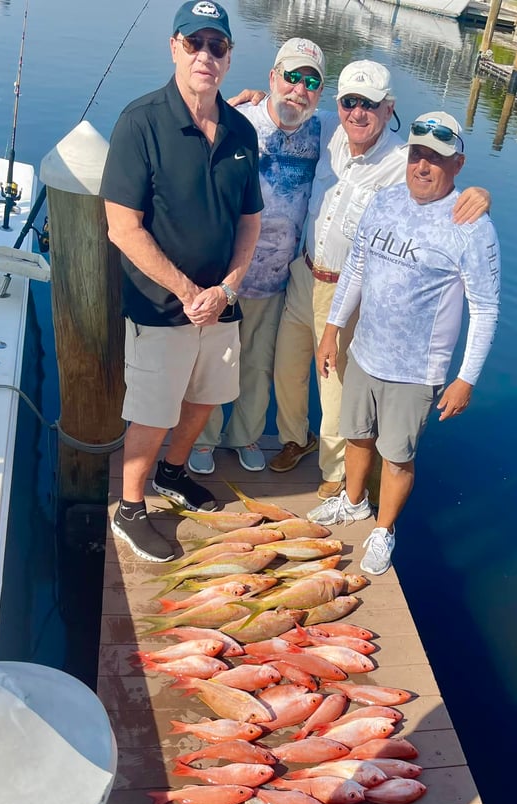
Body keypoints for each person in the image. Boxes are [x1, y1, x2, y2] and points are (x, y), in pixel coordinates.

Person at [269, 61, 491, 501]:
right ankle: (295, 438)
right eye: (349, 102)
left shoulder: (402, 158)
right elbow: (290, 108)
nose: (358, 113)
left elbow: (443, 188)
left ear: (389, 109)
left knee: (334, 384)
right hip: (303, 271)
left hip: (347, 290)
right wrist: (256, 98)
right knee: (287, 369)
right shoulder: (329, 128)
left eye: (369, 104)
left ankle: (336, 475)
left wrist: (480, 195)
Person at [100, 1, 263, 562]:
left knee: (204, 398)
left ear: (228, 56)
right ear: (174, 47)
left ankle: (173, 473)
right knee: (152, 409)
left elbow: (250, 222)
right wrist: (189, 293)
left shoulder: (242, 130)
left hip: (221, 305)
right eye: (194, 44)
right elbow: (122, 227)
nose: (205, 56)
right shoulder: (139, 122)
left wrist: (228, 289)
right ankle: (130, 508)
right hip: (160, 308)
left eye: (216, 47)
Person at [307, 112, 501, 576]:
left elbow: (486, 309)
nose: (423, 166)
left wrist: (465, 378)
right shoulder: (385, 200)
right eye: (417, 154)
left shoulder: (472, 227)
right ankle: (353, 502)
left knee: (397, 456)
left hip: (416, 371)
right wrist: (333, 328)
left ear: (458, 165)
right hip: (364, 352)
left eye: (437, 158)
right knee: (356, 433)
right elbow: (356, 265)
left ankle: (384, 530)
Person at [188, 37, 326, 477]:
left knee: (257, 366)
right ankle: (204, 439)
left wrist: (464, 190)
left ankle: (245, 435)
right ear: (272, 78)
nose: (298, 89)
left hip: (276, 281)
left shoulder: (324, 131)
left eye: (310, 81)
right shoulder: (237, 121)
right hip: (225, 275)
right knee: (211, 363)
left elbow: (382, 137)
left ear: (319, 93)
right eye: (290, 76)